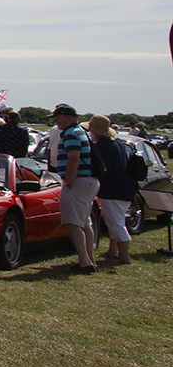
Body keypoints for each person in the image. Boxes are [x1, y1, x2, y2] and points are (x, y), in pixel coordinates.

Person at [53, 104, 98, 273]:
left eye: (58, 117)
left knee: (72, 223)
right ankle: (89, 259)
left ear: (67, 117)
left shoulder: (71, 133)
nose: (56, 121)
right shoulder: (80, 132)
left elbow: (74, 159)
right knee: (84, 222)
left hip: (78, 181)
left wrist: (69, 181)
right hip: (87, 181)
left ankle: (85, 263)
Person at [91, 115, 134, 266]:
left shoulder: (102, 146)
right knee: (116, 221)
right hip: (124, 187)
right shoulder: (117, 143)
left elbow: (104, 170)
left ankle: (124, 257)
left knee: (116, 223)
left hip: (113, 190)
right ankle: (113, 252)